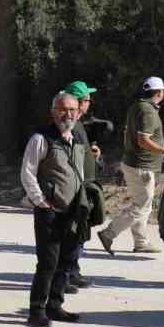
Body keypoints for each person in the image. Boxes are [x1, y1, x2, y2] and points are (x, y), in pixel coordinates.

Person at [18, 92, 86, 327]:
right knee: (48, 263)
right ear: (53, 111)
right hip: (50, 210)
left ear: (79, 112)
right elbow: (27, 172)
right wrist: (40, 201)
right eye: (62, 109)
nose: (68, 114)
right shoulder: (41, 138)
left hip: (73, 211)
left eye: (72, 109)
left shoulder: (77, 138)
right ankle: (36, 311)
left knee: (67, 261)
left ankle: (55, 306)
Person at [97, 77, 164, 256]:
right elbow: (143, 139)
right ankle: (109, 233)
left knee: (142, 203)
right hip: (142, 165)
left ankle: (141, 242)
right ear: (158, 93)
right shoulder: (147, 111)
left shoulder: (137, 107)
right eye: (162, 91)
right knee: (142, 205)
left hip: (135, 163)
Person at [58, 81, 107, 294]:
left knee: (80, 231)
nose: (89, 102)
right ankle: (64, 275)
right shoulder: (70, 125)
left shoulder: (78, 124)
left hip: (84, 186)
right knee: (72, 232)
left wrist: (94, 154)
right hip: (76, 188)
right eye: (86, 99)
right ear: (77, 102)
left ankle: (72, 270)